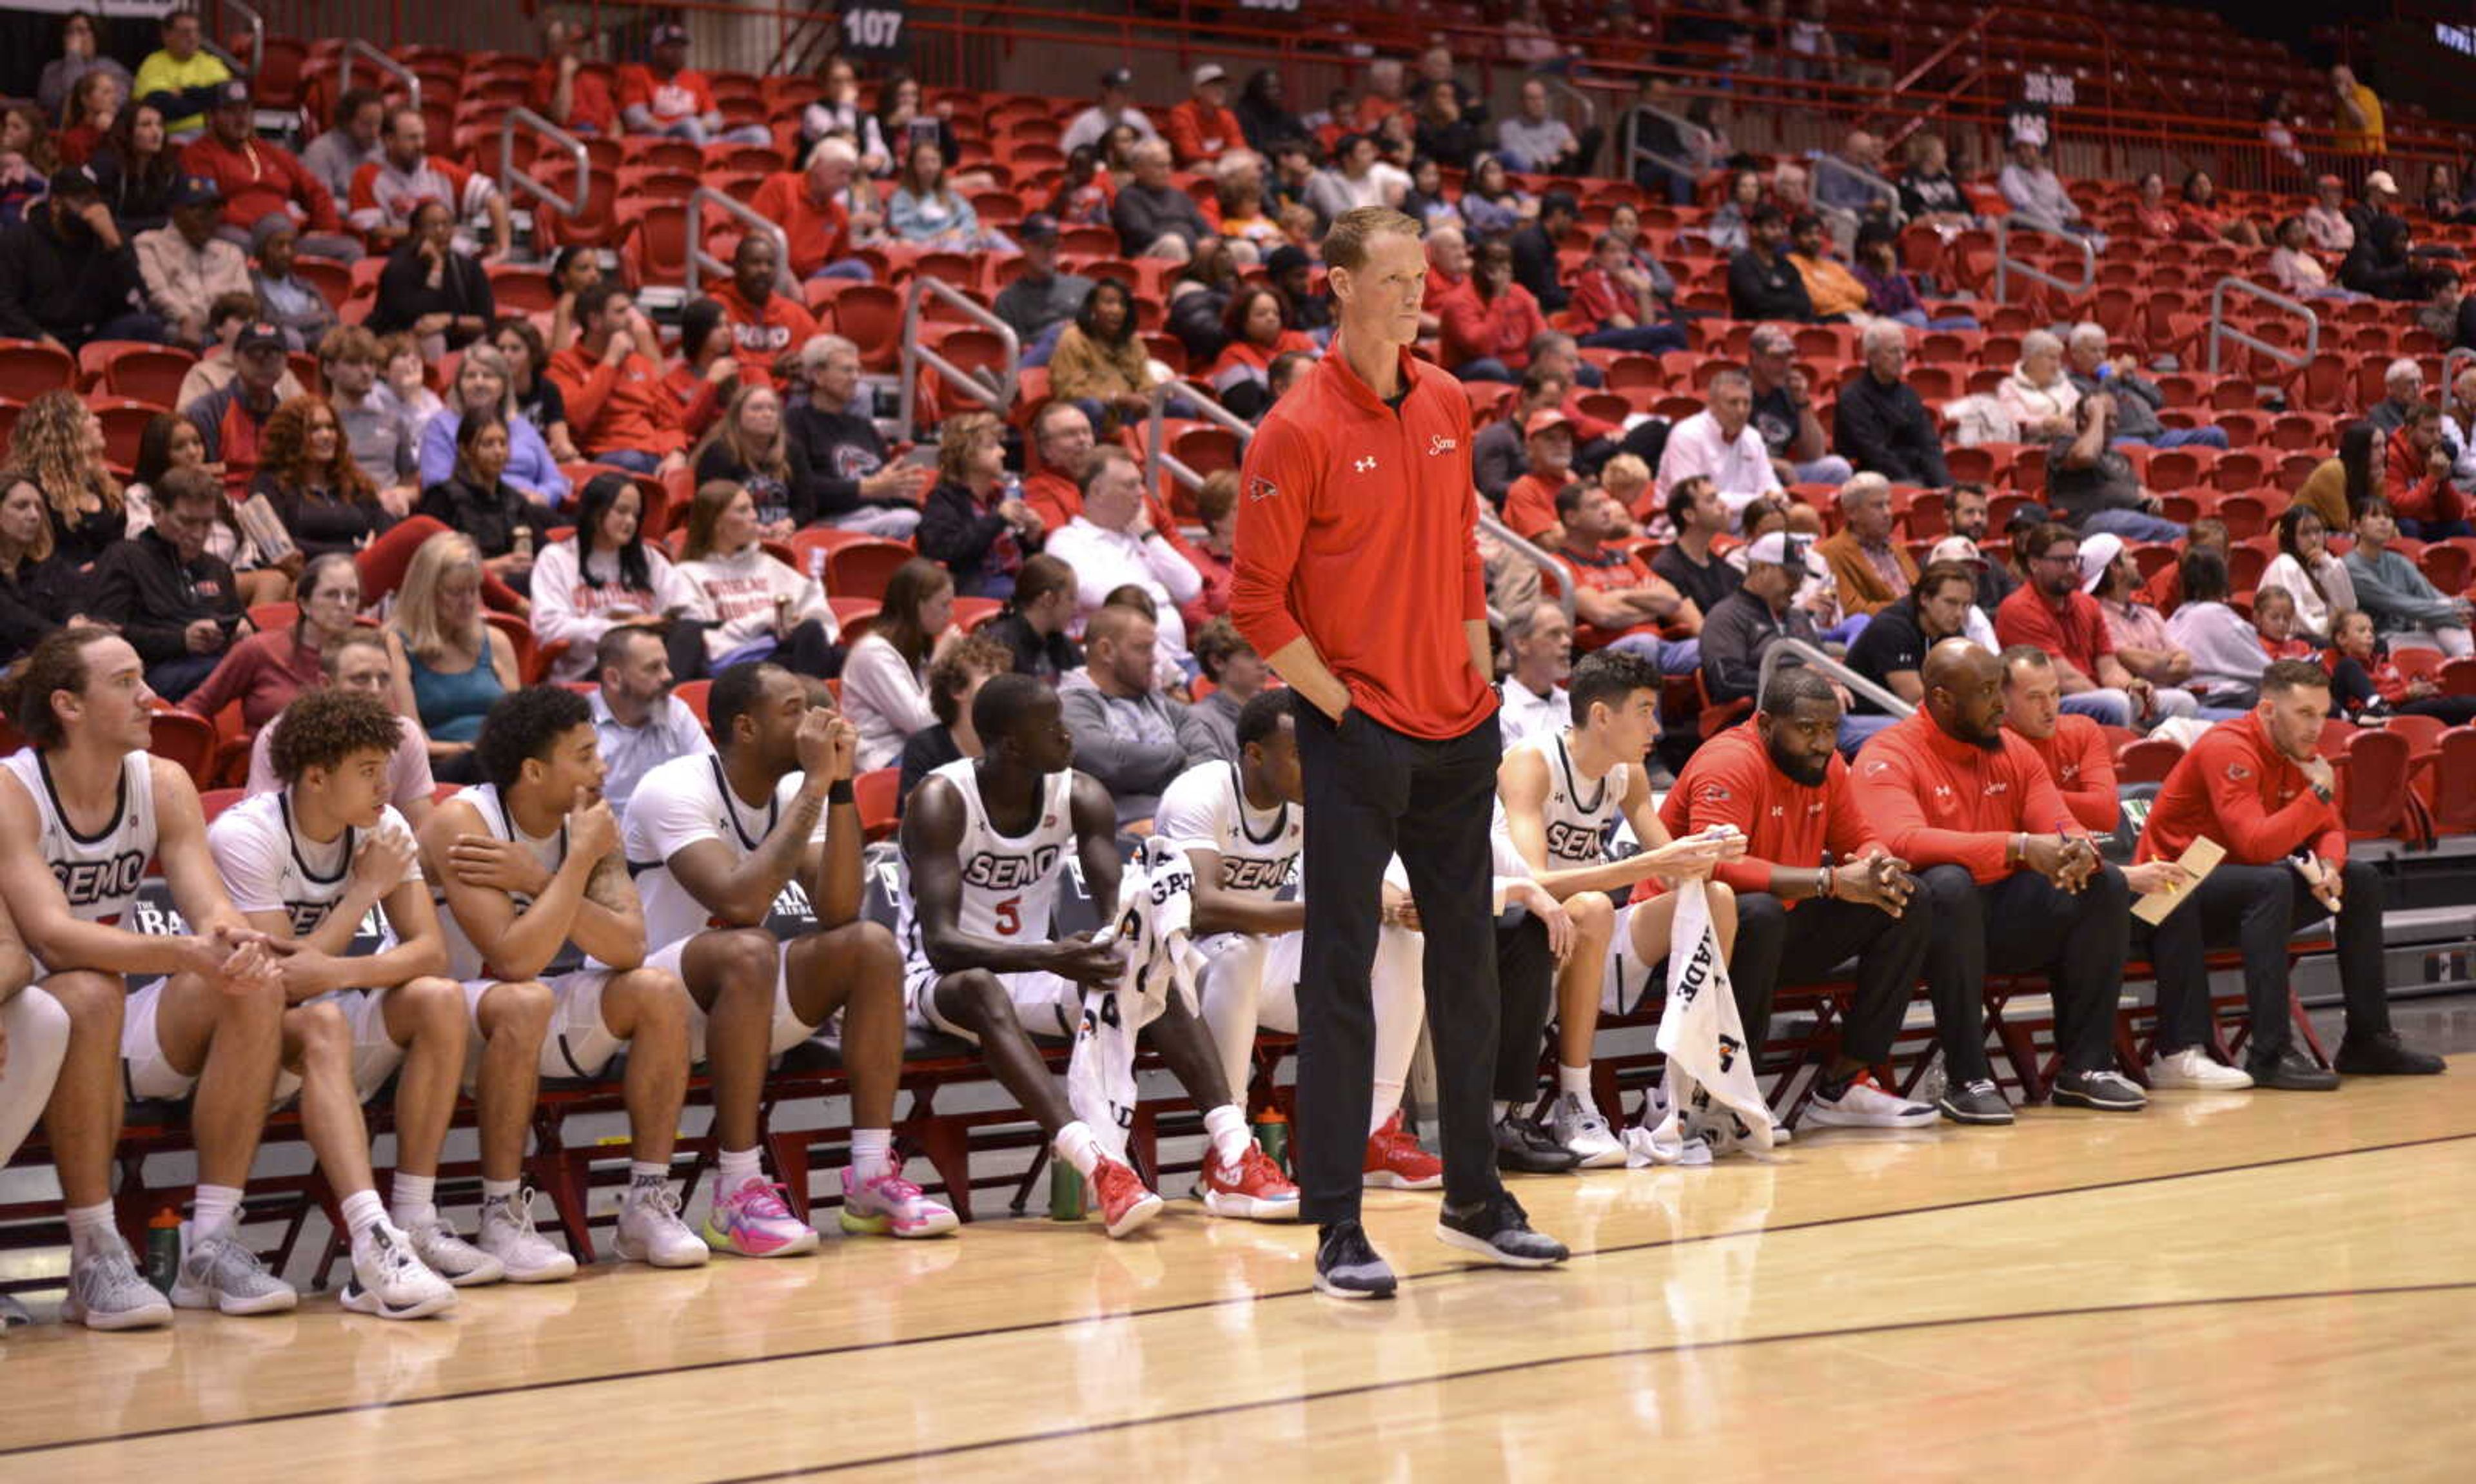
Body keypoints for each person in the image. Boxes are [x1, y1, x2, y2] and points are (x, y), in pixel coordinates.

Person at [1233, 205, 1569, 1296]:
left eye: (1421, 276)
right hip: (1355, 737)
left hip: (1457, 727)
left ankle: (1475, 1197)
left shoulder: (1446, 401)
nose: (1416, 294)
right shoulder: (1294, 428)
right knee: (1343, 981)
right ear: (1337, 286)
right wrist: (1347, 710)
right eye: (1391, 279)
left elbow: (1461, 552)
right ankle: (1337, 1220)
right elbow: (1254, 605)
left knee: (1471, 973)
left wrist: (1478, 685)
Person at [0, 625, 288, 1327]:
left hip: (110, 1014)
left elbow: (207, 903)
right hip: (30, 1014)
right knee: (89, 989)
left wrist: (231, 941)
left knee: (251, 981)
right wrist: (183, 954)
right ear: (68, 705)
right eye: (126, 682)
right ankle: (95, 1251)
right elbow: (54, 937)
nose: (151, 696)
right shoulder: (14, 791)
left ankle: (211, 1241)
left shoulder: (163, 781)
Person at [622, 660, 958, 1252]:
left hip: (745, 996)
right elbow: (741, 901)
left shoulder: (793, 791)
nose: (815, 722)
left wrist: (840, 786)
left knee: (872, 947)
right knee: (751, 949)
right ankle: (736, 1190)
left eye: (815, 708)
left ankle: (872, 1175)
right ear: (746, 729)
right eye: (794, 711)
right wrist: (811, 787)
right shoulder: (673, 788)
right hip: (656, 1005)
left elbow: (839, 909)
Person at [208, 687, 478, 1315]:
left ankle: (412, 1221)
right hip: (230, 1033)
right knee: (322, 1011)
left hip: (315, 1016)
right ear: (315, 775)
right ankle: (369, 1235)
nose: (386, 783)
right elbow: (277, 978)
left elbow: (429, 952)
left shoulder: (382, 827)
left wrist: (341, 965)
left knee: (438, 998)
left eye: (386, 766)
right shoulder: (247, 833)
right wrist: (363, 894)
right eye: (367, 770)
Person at [420, 684, 707, 1269]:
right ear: (532, 770)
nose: (601, 767)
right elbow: (513, 958)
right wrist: (573, 865)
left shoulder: (590, 826)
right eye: (583, 756)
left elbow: (629, 946)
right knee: (522, 997)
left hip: (537, 1006)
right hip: (450, 1021)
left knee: (655, 988)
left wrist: (539, 878)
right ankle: (501, 1215)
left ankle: (647, 1205)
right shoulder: (463, 822)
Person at [1851, 639, 2147, 1117]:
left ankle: (2087, 1069)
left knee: (2105, 882)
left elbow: (2061, 822)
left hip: (2002, 917)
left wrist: (2077, 851)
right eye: (1987, 691)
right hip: (1925, 932)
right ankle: (1967, 1077)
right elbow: (1902, 842)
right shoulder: (1888, 753)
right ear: (1944, 698)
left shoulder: (2013, 749)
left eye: (2000, 690)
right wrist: (2019, 846)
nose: (1999, 704)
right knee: (1949, 883)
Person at [1169, 689, 1443, 1187]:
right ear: (1254, 754)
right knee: (1240, 945)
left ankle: (1374, 1133)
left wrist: (1401, 902)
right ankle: (1229, 1153)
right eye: (1299, 755)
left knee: (1403, 942)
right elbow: (1201, 908)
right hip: (1186, 975)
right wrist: (1324, 912)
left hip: (1263, 973)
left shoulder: (1312, 799)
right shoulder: (1201, 793)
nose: (1314, 767)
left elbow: (1362, 878)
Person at [2139, 659, 2444, 1091]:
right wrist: (2319, 793)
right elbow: (2256, 845)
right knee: (2273, 880)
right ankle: (2270, 1053)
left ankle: (2368, 1040)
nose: (2316, 728)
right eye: (2304, 714)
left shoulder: (2297, 752)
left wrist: (2330, 867)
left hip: (2242, 892)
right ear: (2267, 711)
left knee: (2360, 880)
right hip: (2171, 894)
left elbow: (2332, 830)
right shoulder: (2230, 748)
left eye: (2322, 714)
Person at [1493, 648, 1747, 1165]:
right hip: (1521, 938)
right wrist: (1648, 865)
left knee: (1716, 898)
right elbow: (1537, 881)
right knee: (1592, 906)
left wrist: (1707, 852)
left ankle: (1680, 1094)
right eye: (1645, 710)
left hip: (1589, 938)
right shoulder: (1531, 762)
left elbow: (1670, 869)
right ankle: (1575, 1100)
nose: (1655, 725)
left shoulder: (1627, 774)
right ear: (1602, 715)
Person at [1665, 666, 1939, 1128]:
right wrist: (1829, 882)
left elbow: (1860, 835)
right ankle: (1733, 1093)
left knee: (1908, 899)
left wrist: (1878, 865)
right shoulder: (1730, 761)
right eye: (1807, 730)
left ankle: (1846, 1082)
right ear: (1768, 725)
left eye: (1831, 729)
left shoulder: (1826, 765)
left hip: (1779, 929)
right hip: (1689, 936)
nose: (1821, 743)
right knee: (1758, 912)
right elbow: (1716, 865)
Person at [1996, 522, 2194, 730]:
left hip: (2099, 696)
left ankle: (2159, 754)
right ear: (2035, 564)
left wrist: (2133, 688)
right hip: (2049, 703)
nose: (2071, 568)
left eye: (2075, 560)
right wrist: (2121, 702)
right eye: (2061, 561)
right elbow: (2064, 679)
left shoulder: (2087, 604)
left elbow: (2109, 668)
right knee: (2114, 704)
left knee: (2182, 701)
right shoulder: (2019, 609)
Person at [92, 466, 247, 700]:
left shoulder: (217, 568)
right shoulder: (124, 558)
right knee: (232, 673)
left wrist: (245, 631)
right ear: (156, 512)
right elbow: (104, 636)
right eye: (187, 522)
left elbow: (237, 619)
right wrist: (181, 640)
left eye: (206, 524)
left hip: (213, 668)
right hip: (150, 675)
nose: (198, 534)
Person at [532, 472, 696, 685]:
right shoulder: (557, 558)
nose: (630, 522)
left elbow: (690, 609)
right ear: (594, 512)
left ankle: (666, 700)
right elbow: (549, 629)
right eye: (621, 511)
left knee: (690, 631)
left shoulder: (649, 558)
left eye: (636, 515)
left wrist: (663, 622)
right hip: (591, 668)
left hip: (654, 662)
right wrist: (621, 629)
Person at [1045, 447, 1204, 661]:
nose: (1142, 493)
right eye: (1130, 485)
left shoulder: (1142, 537)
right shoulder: (1068, 540)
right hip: (1116, 668)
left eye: (1140, 483)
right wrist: (1160, 591)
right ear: (1097, 491)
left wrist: (1148, 533)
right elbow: (1099, 595)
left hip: (1177, 661)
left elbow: (1190, 587)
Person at [1058, 603, 1214, 822]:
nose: (1154, 659)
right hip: (1115, 833)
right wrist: (1177, 755)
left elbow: (1210, 764)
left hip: (1181, 822)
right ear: (1106, 651)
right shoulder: (1072, 705)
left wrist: (1145, 774)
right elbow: (1109, 762)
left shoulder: (1164, 704)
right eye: (1143, 649)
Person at [674, 479, 840, 681]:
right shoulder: (687, 574)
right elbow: (700, 642)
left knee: (842, 654)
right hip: (734, 667)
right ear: (717, 523)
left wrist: (795, 621)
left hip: (779, 654)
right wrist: (765, 621)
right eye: (743, 510)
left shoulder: (766, 564)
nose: (754, 516)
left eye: (753, 508)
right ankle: (809, 708)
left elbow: (817, 611)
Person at [384, 531, 515, 783]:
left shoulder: (497, 641)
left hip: (498, 763)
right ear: (426, 593)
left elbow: (518, 725)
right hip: (439, 770)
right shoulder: (397, 643)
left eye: (473, 590)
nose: (468, 602)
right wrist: (468, 750)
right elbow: (412, 740)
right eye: (455, 592)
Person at [181, 81, 359, 262]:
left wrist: (326, 229)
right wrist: (265, 230)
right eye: (230, 111)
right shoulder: (198, 154)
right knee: (233, 241)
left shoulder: (268, 151)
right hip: (245, 236)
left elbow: (315, 191)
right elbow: (208, 206)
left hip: (286, 238)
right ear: (211, 117)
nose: (241, 119)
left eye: (245, 110)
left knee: (350, 249)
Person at [0, 164, 160, 350]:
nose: (94, 211)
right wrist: (40, 337)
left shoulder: (108, 237)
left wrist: (116, 248)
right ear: (56, 204)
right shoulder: (19, 239)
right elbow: (5, 304)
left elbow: (138, 302)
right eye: (84, 201)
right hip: (36, 337)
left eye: (97, 201)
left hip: (91, 336)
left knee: (147, 325)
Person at [783, 334, 928, 540]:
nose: (855, 377)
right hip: (830, 523)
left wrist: (902, 486)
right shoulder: (796, 422)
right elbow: (801, 486)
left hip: (880, 516)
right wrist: (866, 489)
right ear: (818, 376)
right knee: (909, 521)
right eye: (846, 370)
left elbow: (887, 483)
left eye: (858, 370)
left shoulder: (863, 426)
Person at [549, 282, 690, 475]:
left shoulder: (641, 364)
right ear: (595, 321)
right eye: (621, 312)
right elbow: (576, 420)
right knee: (631, 461)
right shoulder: (563, 365)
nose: (632, 319)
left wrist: (676, 453)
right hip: (606, 456)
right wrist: (610, 362)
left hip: (654, 453)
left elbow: (669, 422)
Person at [417, 409, 553, 594]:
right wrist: (493, 566)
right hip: (464, 592)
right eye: (488, 444)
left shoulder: (514, 500)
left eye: (503, 443)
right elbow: (430, 566)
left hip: (512, 589)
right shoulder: (443, 498)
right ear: (465, 450)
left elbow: (548, 552)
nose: (498, 451)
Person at [347, 106, 510, 261]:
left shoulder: (440, 169)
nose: (420, 144)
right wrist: (429, 233)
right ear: (389, 140)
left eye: (422, 136)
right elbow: (374, 231)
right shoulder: (367, 176)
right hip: (396, 260)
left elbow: (495, 199)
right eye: (412, 138)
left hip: (452, 256)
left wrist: (503, 251)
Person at [841, 556, 953, 771]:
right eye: (944, 605)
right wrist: (938, 666)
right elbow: (921, 724)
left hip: (911, 750)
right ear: (917, 605)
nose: (951, 614)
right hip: (880, 759)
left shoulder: (913, 646)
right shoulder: (873, 652)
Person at [918, 411, 1045, 600]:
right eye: (992, 446)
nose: (1003, 452)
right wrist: (998, 519)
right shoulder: (944, 500)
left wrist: (1032, 540)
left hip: (1014, 581)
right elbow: (944, 551)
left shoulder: (997, 497)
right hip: (978, 588)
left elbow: (1015, 556)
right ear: (967, 454)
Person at [253, 395, 393, 561]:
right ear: (291, 437)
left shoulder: (353, 482)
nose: (327, 435)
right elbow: (282, 547)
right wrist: (356, 551)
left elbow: (385, 528)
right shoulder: (271, 485)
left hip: (363, 573)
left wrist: (376, 549)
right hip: (307, 576)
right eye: (315, 429)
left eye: (331, 427)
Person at [1997, 645, 2121, 834]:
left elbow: (2106, 814)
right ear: (2003, 701)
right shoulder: (1993, 747)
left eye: (2054, 693)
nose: (2049, 708)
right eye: (2035, 697)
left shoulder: (2084, 731)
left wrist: (2031, 797)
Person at [2045, 393, 2187, 544]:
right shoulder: (2065, 446)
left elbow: (2138, 490)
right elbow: (2086, 457)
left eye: (2115, 418)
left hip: (2128, 517)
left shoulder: (2117, 457)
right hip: (2087, 521)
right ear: (2083, 420)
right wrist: (2097, 415)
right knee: (2177, 533)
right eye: (2106, 418)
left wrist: (2153, 499)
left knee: (2176, 532)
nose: (2112, 424)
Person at [2343, 495, 2472, 658]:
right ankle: (2466, 666)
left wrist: (2462, 607)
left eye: (2388, 516)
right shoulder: (2351, 566)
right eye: (2375, 516)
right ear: (2356, 526)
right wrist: (2449, 613)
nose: (2384, 521)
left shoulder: (2398, 561)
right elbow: (2395, 602)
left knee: (2449, 618)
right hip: (2376, 641)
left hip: (2409, 633)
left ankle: (2467, 664)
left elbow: (2431, 595)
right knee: (2442, 639)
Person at [1845, 558, 1980, 712]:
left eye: (1965, 605)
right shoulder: (1892, 628)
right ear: (1924, 599)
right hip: (1866, 718)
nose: (1959, 614)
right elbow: (1916, 700)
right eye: (1951, 603)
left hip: (1902, 717)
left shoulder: (1949, 627)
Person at [1656, 369, 1786, 527]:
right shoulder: (1687, 434)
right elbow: (1692, 500)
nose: (1741, 410)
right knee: (1715, 515)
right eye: (1733, 403)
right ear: (1712, 405)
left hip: (1745, 524)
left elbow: (1769, 483)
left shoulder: (1752, 437)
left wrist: (1777, 497)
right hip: (1692, 526)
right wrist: (1758, 501)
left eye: (1747, 403)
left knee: (1802, 516)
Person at [134, 173, 248, 347]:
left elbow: (245, 298)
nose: (210, 218)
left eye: (214, 211)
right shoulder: (149, 243)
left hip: (225, 328)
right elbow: (157, 293)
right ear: (177, 211)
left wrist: (229, 322)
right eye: (201, 211)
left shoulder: (231, 252)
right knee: (173, 333)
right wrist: (185, 318)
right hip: (176, 323)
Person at [898, 633, 1015, 802]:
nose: (1004, 683)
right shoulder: (924, 747)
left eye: (1004, 674)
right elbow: (918, 817)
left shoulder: (1014, 743)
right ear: (957, 690)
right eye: (989, 673)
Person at [182, 318, 292, 494]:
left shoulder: (288, 417)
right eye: (254, 354)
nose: (264, 363)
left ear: (286, 362)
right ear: (235, 358)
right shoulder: (207, 412)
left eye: (274, 355)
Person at [368, 201, 493, 352]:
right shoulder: (398, 268)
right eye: (432, 225)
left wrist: (449, 320)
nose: (440, 231)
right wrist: (437, 267)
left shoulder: (468, 267)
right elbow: (417, 319)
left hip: (455, 339)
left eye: (446, 224)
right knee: (433, 338)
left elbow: (486, 320)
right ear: (417, 232)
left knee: (487, 342)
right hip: (400, 342)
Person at [618, 23, 767, 146]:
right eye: (671, 47)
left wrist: (700, 126)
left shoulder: (695, 79)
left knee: (759, 134)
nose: (678, 53)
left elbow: (715, 119)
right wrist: (673, 127)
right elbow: (635, 118)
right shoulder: (639, 74)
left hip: (699, 136)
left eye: (681, 48)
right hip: (660, 139)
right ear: (656, 50)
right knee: (690, 125)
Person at [1046, 278, 1163, 431]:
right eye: (1109, 303)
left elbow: (1146, 381)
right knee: (1093, 407)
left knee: (1180, 408)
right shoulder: (1073, 338)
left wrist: (1152, 395)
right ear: (1092, 308)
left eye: (1123, 304)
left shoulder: (1133, 342)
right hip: (1091, 411)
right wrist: (1116, 398)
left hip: (1128, 413)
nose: (1117, 310)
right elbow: (1070, 391)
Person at [749, 138, 870, 283]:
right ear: (818, 166)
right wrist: (790, 281)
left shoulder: (840, 214)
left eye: (850, 175)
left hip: (813, 281)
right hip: (772, 273)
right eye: (841, 173)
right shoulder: (781, 186)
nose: (846, 181)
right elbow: (757, 240)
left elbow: (839, 261)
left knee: (857, 271)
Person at [2165, 549, 2274, 710]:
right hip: (2212, 700)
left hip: (2188, 700)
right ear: (2222, 582)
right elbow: (2265, 671)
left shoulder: (2174, 619)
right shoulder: (2215, 613)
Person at [322, 324, 420, 499]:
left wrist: (402, 494)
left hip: (386, 514)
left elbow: (411, 484)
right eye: (354, 362)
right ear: (329, 368)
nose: (366, 371)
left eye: (371, 363)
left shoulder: (394, 420)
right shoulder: (318, 424)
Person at [2326, 608, 2476, 724]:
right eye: (2361, 631)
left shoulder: (2383, 665)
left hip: (2398, 710)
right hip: (2373, 716)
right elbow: (2356, 705)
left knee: (2460, 713)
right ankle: (2377, 705)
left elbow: (2405, 690)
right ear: (2341, 638)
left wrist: (2424, 689)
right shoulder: (2347, 670)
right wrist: (2406, 694)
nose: (2370, 635)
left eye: (2372, 631)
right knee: (2460, 705)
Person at [1437, 239, 1546, 384]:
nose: (1502, 272)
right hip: (1471, 369)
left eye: (1506, 264)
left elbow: (1541, 335)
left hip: (1519, 366)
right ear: (1478, 267)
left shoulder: (1519, 292)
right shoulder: (1459, 301)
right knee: (1492, 368)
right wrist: (1498, 299)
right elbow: (1482, 348)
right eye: (1494, 265)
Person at [990, 215, 1092, 360]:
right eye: (1040, 244)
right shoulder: (1008, 300)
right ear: (1024, 246)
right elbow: (1016, 354)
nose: (1049, 252)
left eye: (1053, 245)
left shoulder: (1084, 287)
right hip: (1040, 370)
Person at [1208, 286, 1317, 420]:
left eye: (1276, 313)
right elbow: (1246, 410)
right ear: (1242, 320)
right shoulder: (1232, 356)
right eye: (1261, 314)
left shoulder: (1301, 340)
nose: (1271, 318)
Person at [1814, 473, 1915, 617]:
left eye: (1888, 504)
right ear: (1852, 513)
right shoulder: (1832, 553)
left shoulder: (1897, 548)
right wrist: (1911, 608)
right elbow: (1852, 611)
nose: (1887, 513)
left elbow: (1923, 594)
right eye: (1878, 506)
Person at [1651, 475, 1745, 620]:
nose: (1723, 505)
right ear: (1689, 515)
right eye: (1711, 500)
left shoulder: (1729, 571)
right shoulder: (1667, 568)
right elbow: (1698, 630)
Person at [983, 552, 1085, 683]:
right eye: (1071, 598)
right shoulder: (998, 646)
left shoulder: (1063, 645)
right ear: (1048, 599)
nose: (1076, 608)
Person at [132, 6, 231, 139]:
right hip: (170, 136)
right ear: (167, 35)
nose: (193, 37)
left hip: (213, 134)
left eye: (197, 31)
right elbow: (162, 106)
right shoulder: (153, 64)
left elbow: (228, 96)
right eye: (186, 32)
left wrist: (185, 93)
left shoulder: (211, 63)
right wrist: (207, 99)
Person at [2382, 403, 2473, 539]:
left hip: (2430, 522)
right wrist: (2432, 477)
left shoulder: (2433, 452)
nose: (2437, 438)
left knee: (2462, 528)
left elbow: (2455, 513)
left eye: (2439, 431)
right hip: (2403, 523)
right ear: (2410, 430)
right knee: (2408, 527)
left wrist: (2443, 480)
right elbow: (2401, 508)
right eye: (2429, 431)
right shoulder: (2393, 456)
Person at [249, 214, 337, 353]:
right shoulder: (252, 285)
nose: (287, 252)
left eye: (291, 245)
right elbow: (270, 322)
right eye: (279, 245)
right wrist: (315, 319)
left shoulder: (307, 286)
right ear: (262, 249)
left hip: (317, 345)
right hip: (276, 350)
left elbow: (331, 318)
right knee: (291, 338)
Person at [90, 101, 179, 235]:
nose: (156, 132)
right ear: (127, 130)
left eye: (160, 125)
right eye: (146, 125)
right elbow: (104, 221)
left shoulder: (168, 166)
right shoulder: (106, 164)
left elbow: (177, 217)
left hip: (154, 240)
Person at [1493, 601, 1573, 747]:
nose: (1567, 642)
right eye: (1554, 634)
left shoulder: (1575, 703)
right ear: (1522, 645)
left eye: (1566, 634)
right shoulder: (1501, 712)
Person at [1997, 137, 2101, 244]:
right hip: (2031, 224)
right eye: (2019, 149)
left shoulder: (2050, 177)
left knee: (2099, 236)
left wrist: (2074, 213)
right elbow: (2027, 206)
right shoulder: (2010, 173)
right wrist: (2057, 221)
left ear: (2038, 151)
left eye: (2027, 148)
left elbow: (2066, 203)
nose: (2023, 153)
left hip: (2058, 225)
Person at [1727, 205, 1814, 323]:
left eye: (1782, 228)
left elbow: (1805, 304)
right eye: (1772, 227)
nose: (1779, 232)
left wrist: (1774, 297)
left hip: (1789, 329)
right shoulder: (1742, 265)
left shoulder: (1787, 266)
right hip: (1753, 331)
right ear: (1754, 230)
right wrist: (1789, 299)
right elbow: (1758, 303)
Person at [300, 87, 385, 205]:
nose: (375, 132)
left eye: (378, 123)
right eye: (367, 124)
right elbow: (321, 204)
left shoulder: (380, 148)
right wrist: (362, 207)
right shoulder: (320, 152)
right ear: (346, 122)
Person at [531, 19, 616, 135]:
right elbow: (560, 117)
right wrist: (566, 76)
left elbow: (614, 121)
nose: (579, 48)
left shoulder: (593, 79)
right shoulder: (544, 76)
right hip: (570, 143)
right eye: (574, 43)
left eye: (581, 43)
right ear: (557, 46)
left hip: (600, 142)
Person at [1060, 66, 1158, 157]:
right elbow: (1067, 152)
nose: (1126, 95)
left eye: (1129, 90)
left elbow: (1156, 150)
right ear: (1106, 91)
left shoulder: (1139, 119)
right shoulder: (1086, 121)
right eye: (1121, 90)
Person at [2330, 63, 2383, 155]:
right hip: (2346, 156)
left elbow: (2362, 122)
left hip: (2368, 155)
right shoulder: (2340, 103)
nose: (2336, 85)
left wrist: (2346, 99)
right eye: (2334, 81)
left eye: (2339, 80)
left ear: (2350, 77)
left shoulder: (2365, 94)